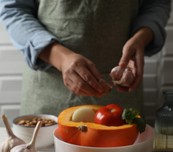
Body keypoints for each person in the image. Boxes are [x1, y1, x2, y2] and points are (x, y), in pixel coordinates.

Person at [0, 0, 171, 117]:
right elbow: (13, 9)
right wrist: (61, 58)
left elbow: (156, 3)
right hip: (48, 98)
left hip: (119, 100)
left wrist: (142, 37)